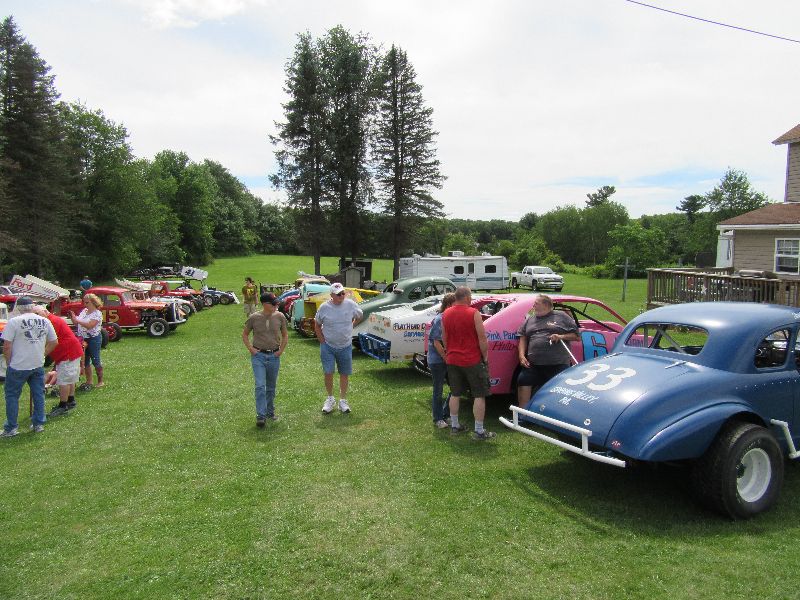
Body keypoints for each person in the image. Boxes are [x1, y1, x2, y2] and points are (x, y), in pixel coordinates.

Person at [441, 286, 495, 440]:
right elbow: (482, 338)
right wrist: (485, 356)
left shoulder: (446, 313)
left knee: (455, 393)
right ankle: (478, 431)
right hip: (472, 359)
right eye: (470, 296)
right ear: (465, 297)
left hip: (452, 359)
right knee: (479, 394)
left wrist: (449, 352)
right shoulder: (473, 313)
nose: (471, 299)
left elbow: (444, 337)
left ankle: (455, 425)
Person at [1, 297, 58, 437]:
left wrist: (9, 363)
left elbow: (7, 346)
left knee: (12, 396)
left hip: (18, 365)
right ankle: (38, 423)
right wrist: (42, 354)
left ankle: (11, 427)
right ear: (32, 306)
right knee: (39, 394)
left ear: (18, 308)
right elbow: (54, 341)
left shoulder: (14, 322)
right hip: (37, 363)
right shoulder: (45, 320)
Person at [515, 294, 579, 408]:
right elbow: (523, 336)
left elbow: (576, 336)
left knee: (560, 389)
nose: (533, 305)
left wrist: (560, 337)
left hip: (557, 363)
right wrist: (521, 355)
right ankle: (522, 415)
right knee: (523, 380)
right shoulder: (530, 319)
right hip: (533, 363)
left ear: (545, 305)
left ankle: (556, 415)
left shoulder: (561, 316)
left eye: (536, 303)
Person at [314, 282, 363, 414]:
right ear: (331, 295)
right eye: (338, 294)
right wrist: (322, 342)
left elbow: (359, 316)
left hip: (346, 345)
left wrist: (351, 326)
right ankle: (330, 399)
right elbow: (317, 325)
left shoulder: (351, 305)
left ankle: (343, 401)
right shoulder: (324, 308)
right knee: (328, 372)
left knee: (344, 374)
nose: (341, 296)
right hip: (328, 346)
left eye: (343, 293)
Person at [242, 292, 288, 428]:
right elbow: (245, 334)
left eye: (276, 303)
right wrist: (251, 349)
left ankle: (270, 412)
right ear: (265, 304)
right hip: (259, 356)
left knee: (271, 387)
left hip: (274, 356)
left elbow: (285, 335)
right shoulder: (254, 317)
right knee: (260, 386)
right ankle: (261, 416)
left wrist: (280, 351)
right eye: (273, 304)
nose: (276, 306)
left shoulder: (280, 316)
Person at [32, 306, 84, 417]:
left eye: (37, 313)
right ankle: (71, 400)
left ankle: (63, 405)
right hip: (70, 351)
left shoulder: (51, 322)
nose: (35, 316)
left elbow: (49, 340)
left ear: (45, 312)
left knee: (64, 380)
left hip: (68, 353)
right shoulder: (49, 320)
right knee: (70, 378)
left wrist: (41, 354)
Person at [427, 293, 456, 429]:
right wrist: (446, 358)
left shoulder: (451, 318)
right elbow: (436, 342)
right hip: (437, 361)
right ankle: (438, 418)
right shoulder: (440, 319)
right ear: (449, 305)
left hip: (449, 360)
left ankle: (446, 414)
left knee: (455, 388)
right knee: (438, 390)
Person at [69, 292, 104, 390]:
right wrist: (73, 318)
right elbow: (77, 324)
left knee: (95, 359)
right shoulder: (84, 311)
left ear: (93, 302)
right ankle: (89, 381)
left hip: (93, 338)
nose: (85, 304)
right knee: (85, 361)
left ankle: (100, 381)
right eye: (84, 302)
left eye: (87, 302)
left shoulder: (97, 313)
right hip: (82, 337)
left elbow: (90, 325)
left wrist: (78, 320)